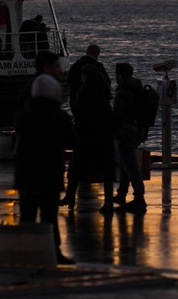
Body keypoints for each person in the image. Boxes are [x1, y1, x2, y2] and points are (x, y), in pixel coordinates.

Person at [13, 71, 76, 265]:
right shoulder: (59, 117)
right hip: (50, 172)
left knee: (27, 215)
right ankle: (52, 252)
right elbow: (72, 141)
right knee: (49, 216)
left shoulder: (23, 115)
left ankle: (24, 252)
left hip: (26, 172)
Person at [61, 64, 115, 216]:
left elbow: (81, 115)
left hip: (86, 136)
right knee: (106, 171)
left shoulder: (84, 92)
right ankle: (109, 202)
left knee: (76, 168)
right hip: (103, 137)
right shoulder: (103, 91)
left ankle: (70, 197)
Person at [112, 62, 148, 212]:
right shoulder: (138, 89)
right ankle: (122, 193)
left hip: (126, 132)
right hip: (138, 131)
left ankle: (139, 197)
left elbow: (117, 115)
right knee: (125, 162)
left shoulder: (122, 92)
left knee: (130, 164)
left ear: (120, 75)